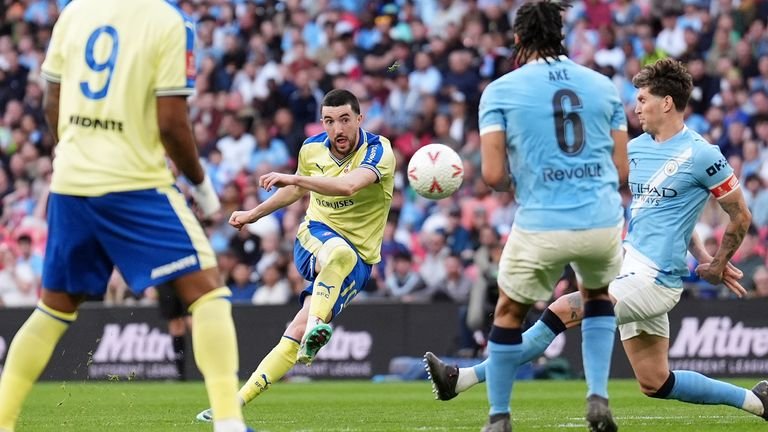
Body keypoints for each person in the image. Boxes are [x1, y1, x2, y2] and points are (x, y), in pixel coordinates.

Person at [426, 58, 768, 426]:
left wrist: (718, 265)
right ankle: (758, 402)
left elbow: (741, 216)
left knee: (560, 309)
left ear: (666, 103)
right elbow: (672, 216)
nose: (636, 106)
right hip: (628, 268)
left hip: (655, 280)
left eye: (643, 98)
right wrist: (701, 254)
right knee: (656, 381)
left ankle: (461, 379)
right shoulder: (637, 149)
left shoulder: (703, 155)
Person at [0, 1, 252, 431]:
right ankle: (228, 422)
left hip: (71, 183)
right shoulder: (168, 21)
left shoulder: (75, 12)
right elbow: (172, 123)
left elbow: (51, 101)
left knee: (53, 309)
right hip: (133, 183)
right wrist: (204, 189)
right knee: (208, 293)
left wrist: (80, 151)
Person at [460, 1, 630, 431]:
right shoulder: (603, 86)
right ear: (562, 35)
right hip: (601, 220)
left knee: (508, 313)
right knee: (597, 298)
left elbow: (495, 175)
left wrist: (524, 180)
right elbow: (623, 170)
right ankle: (597, 397)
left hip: (543, 222)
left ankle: (498, 417)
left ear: (518, 39)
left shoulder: (499, 91)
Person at [196, 89, 395, 421]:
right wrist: (254, 213)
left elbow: (348, 185)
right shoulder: (312, 149)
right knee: (338, 253)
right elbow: (297, 191)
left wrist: (296, 176)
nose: (338, 129)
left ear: (359, 119)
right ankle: (319, 326)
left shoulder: (379, 150)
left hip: (360, 261)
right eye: (330, 121)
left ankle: (231, 405)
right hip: (315, 235)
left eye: (345, 120)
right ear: (322, 123)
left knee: (298, 331)